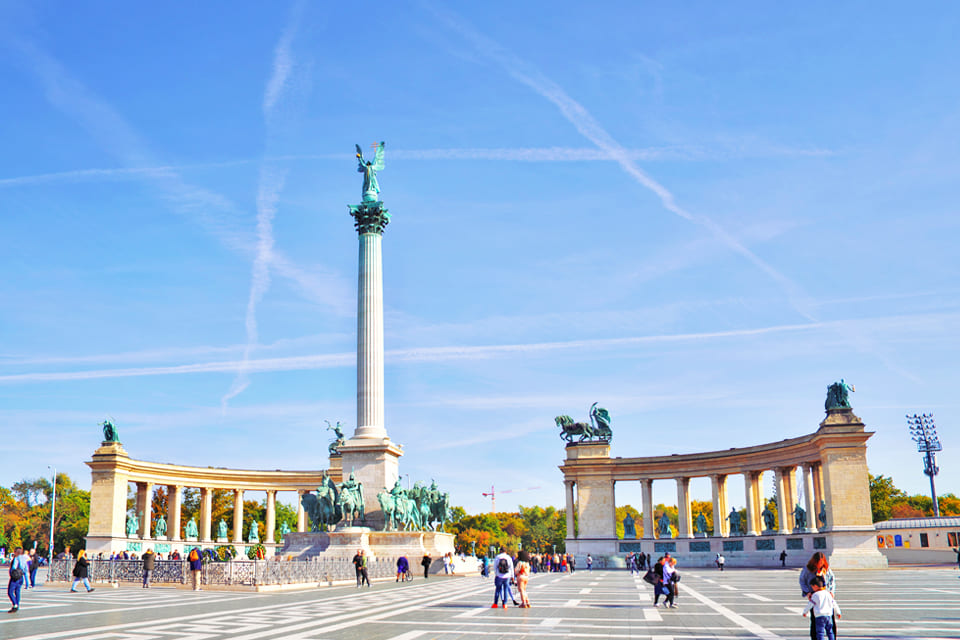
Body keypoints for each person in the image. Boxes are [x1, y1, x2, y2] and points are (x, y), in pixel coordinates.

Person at [799, 552, 836, 640]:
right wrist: (807, 592)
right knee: (815, 620)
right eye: (818, 563)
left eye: (821, 563)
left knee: (831, 620)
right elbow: (802, 581)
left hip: (826, 596)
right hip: (815, 596)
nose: (820, 565)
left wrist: (832, 591)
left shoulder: (826, 569)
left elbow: (832, 581)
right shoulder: (807, 570)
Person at [802, 576, 841, 640]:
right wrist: (838, 612)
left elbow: (810, 604)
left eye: (812, 587)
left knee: (820, 632)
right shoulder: (828, 594)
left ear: (815, 586)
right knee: (830, 631)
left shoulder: (815, 595)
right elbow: (834, 603)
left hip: (819, 616)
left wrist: (805, 612)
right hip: (829, 615)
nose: (812, 589)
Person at [7, 548, 29, 613]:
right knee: (17, 591)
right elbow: (26, 569)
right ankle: (17, 605)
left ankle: (15, 604)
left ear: (16, 552)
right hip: (21, 577)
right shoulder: (24, 558)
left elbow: (14, 567)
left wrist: (12, 573)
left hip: (15, 577)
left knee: (10, 592)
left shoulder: (16, 558)